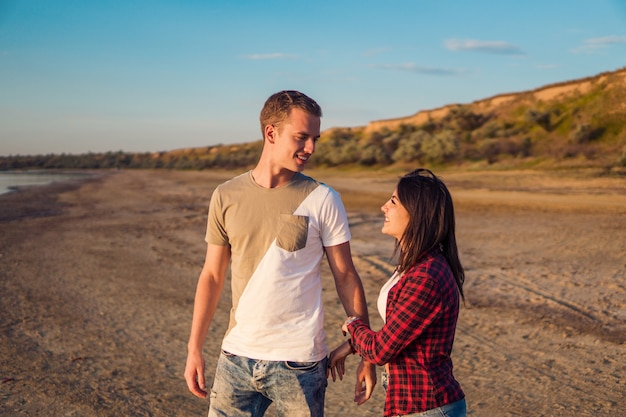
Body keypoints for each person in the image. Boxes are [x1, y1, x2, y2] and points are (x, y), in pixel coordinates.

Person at [184, 90, 376, 417]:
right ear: (271, 133)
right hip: (235, 359)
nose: (311, 148)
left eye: (315, 138)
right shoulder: (226, 195)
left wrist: (368, 354)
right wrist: (194, 349)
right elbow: (212, 275)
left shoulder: (323, 199)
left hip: (299, 363)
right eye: (302, 137)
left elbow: (345, 275)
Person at [329, 168, 466, 417]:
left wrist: (353, 324)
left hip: (426, 406)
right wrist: (355, 347)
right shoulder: (414, 265)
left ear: (416, 213)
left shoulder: (426, 276)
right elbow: (397, 333)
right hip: (414, 403)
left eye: (393, 201)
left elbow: (382, 349)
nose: (384, 207)